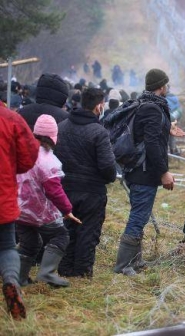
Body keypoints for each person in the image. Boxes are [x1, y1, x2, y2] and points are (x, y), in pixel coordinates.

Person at [113, 68, 175, 276]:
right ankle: (123, 265)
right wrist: (164, 172)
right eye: (166, 84)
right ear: (161, 86)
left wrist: (168, 128)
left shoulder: (146, 104)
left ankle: (135, 260)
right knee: (138, 216)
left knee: (141, 214)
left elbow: (151, 135)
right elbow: (152, 144)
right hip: (143, 171)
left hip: (138, 170)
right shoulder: (152, 109)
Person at [55, 88, 117, 278]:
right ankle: (82, 272)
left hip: (65, 189)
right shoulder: (99, 132)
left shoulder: (62, 126)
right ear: (99, 106)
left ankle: (64, 268)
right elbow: (107, 166)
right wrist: (109, 177)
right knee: (88, 232)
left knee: (68, 230)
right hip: (92, 192)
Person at [16, 115, 82, 287]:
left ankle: (20, 278)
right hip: (39, 211)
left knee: (30, 242)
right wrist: (67, 210)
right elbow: (54, 191)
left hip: (19, 210)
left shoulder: (21, 150)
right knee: (60, 235)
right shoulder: (48, 160)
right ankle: (46, 273)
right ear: (54, 137)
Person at [0, 104, 39, 320]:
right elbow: (28, 156)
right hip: (2, 195)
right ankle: (12, 282)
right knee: (6, 246)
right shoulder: (10, 118)